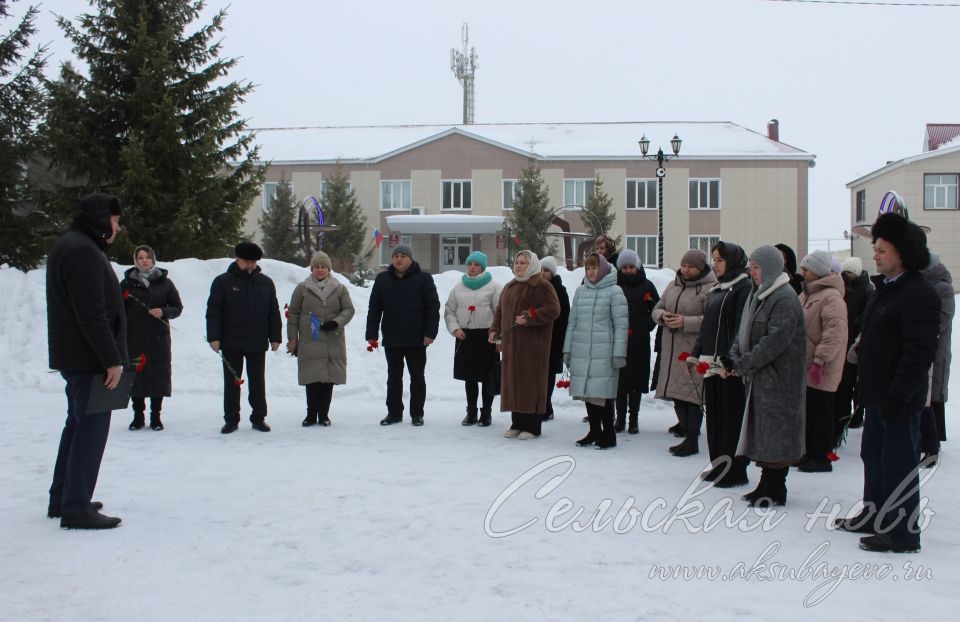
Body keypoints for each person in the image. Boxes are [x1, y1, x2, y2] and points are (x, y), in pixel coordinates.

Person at [835, 212, 939, 553]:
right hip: (877, 394)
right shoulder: (886, 290)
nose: (875, 255)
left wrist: (899, 395)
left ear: (902, 253)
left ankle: (902, 532)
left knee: (898, 463)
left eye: (881, 249)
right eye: (875, 248)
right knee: (874, 456)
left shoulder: (919, 293)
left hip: (898, 398)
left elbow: (919, 352)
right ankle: (875, 513)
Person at [46, 193, 125, 529]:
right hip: (89, 358)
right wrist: (111, 359)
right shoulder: (82, 252)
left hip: (77, 356)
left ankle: (63, 497)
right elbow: (91, 314)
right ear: (99, 218)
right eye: (115, 220)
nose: (118, 227)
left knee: (77, 425)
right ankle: (76, 507)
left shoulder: (73, 245)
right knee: (90, 430)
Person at [724, 245, 805, 508]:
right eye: (751, 266)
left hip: (780, 379)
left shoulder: (784, 298)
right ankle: (765, 483)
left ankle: (775, 486)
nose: (751, 271)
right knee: (761, 431)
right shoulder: (758, 295)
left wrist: (744, 363)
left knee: (775, 433)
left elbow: (774, 342)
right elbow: (743, 331)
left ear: (769, 269)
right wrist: (734, 356)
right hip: (760, 378)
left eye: (756, 267)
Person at [690, 241, 751, 487]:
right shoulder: (718, 288)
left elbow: (740, 327)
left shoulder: (743, 287)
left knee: (730, 417)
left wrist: (731, 359)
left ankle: (735, 469)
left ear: (733, 261)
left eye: (720, 260)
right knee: (714, 416)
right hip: (711, 362)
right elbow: (707, 326)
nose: (715, 264)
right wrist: (696, 353)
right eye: (713, 259)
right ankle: (718, 464)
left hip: (729, 365)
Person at [206, 242, 282, 434]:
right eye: (247, 261)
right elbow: (213, 311)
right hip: (231, 341)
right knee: (232, 382)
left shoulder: (265, 283)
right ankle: (231, 419)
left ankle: (258, 417)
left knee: (258, 381)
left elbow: (273, 311)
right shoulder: (222, 282)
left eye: (254, 262)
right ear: (237, 259)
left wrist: (275, 336)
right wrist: (214, 337)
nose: (250, 265)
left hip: (257, 341)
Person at [366, 244, 440, 426]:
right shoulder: (382, 279)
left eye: (403, 256)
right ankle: (394, 413)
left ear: (411, 259)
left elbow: (433, 308)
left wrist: (430, 333)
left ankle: (417, 414)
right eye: (396, 255)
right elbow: (374, 309)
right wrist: (371, 333)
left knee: (417, 377)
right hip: (392, 337)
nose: (399, 259)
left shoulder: (424, 279)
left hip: (416, 338)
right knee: (393, 377)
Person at [489, 250, 561, 439]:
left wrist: (530, 316)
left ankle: (532, 426)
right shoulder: (510, 286)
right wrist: (495, 330)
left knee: (530, 383)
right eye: (517, 262)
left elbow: (554, 309)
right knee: (514, 383)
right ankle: (517, 422)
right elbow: (499, 311)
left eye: (523, 263)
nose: (518, 265)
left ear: (533, 266)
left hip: (533, 346)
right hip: (512, 346)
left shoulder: (542, 286)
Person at [651, 249, 716, 456]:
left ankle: (692, 438)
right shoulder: (673, 284)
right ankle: (685, 432)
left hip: (693, 349)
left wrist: (685, 322)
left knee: (692, 395)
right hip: (671, 349)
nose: (686, 270)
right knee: (677, 395)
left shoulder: (710, 289)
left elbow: (712, 320)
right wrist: (663, 316)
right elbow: (656, 308)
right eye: (684, 265)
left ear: (701, 268)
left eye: (691, 266)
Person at [563, 253, 628, 449]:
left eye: (594, 268)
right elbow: (572, 323)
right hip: (583, 350)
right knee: (588, 393)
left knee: (602, 394)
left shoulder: (615, 292)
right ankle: (594, 431)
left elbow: (621, 326)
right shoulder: (581, 291)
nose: (591, 272)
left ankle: (609, 434)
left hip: (604, 352)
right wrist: (567, 349)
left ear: (603, 269)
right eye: (588, 268)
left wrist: (619, 353)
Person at [287, 251, 355, 427]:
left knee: (328, 379)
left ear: (328, 269)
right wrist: (293, 339)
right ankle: (311, 414)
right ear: (312, 269)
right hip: (310, 340)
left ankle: (324, 414)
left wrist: (336, 322)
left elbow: (348, 310)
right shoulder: (302, 288)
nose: (319, 270)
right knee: (312, 378)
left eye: (323, 266)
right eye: (316, 267)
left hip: (332, 339)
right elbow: (293, 314)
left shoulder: (340, 289)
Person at [122, 245, 183, 431]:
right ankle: (137, 416)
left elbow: (177, 307)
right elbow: (118, 309)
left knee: (158, 376)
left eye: (147, 257)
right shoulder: (127, 284)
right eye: (140, 258)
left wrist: (163, 311)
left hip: (158, 338)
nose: (144, 260)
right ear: (136, 261)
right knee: (137, 376)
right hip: (135, 338)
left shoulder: (165, 282)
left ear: (153, 259)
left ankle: (156, 417)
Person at [796, 250, 848, 473]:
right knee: (809, 411)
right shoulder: (808, 293)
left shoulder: (831, 297)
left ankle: (821, 457)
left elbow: (833, 334)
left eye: (806, 268)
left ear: (817, 271)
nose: (802, 272)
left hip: (822, 367)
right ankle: (808, 452)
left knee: (822, 413)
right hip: (806, 364)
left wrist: (819, 361)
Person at [444, 251, 501, 427]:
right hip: (465, 337)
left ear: (483, 267)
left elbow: (501, 313)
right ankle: (471, 412)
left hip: (487, 337)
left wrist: (498, 338)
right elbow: (449, 311)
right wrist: (455, 329)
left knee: (487, 377)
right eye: (470, 264)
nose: (473, 267)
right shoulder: (458, 287)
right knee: (469, 377)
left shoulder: (494, 287)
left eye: (476, 264)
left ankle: (486, 413)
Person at [613, 249, 659, 434]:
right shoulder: (615, 285)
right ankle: (620, 417)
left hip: (639, 340)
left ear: (637, 267)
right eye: (624, 267)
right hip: (619, 339)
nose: (628, 270)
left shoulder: (647, 285)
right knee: (620, 381)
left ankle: (634, 419)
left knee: (636, 381)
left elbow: (657, 308)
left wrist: (646, 325)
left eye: (631, 266)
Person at [919, 253, 953, 466]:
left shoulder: (943, 288)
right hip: (927, 346)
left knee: (932, 396)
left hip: (936, 349)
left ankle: (933, 443)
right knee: (927, 397)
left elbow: (943, 318)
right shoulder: (925, 285)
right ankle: (929, 442)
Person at [834, 257, 874, 432]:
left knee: (856, 382)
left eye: (849, 272)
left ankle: (858, 414)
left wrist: (858, 333)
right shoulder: (844, 288)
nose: (846, 275)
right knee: (845, 383)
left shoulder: (867, 289)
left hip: (856, 341)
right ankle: (845, 415)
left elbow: (866, 316)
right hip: (845, 339)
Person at [539, 256, 570, 422]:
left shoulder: (559, 289)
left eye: (546, 271)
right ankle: (541, 405)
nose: (543, 274)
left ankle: (546, 405)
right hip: (538, 338)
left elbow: (565, 316)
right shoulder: (536, 288)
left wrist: (561, 339)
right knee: (539, 373)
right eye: (541, 270)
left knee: (549, 373)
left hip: (554, 338)